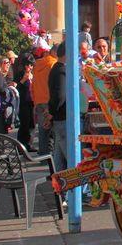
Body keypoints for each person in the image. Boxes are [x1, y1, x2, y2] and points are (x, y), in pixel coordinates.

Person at [31, 38, 57, 155]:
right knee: (53, 129)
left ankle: (43, 154)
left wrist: (35, 100)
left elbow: (33, 84)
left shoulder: (37, 65)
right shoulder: (53, 65)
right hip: (49, 100)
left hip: (39, 100)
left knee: (42, 129)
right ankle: (51, 155)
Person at [48, 41, 69, 172]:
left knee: (59, 155)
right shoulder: (61, 70)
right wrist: (52, 111)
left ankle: (59, 185)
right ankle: (65, 187)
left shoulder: (56, 68)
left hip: (58, 117)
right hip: (62, 116)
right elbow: (60, 96)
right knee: (68, 155)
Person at [14, 53, 36, 151]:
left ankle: (29, 144)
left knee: (31, 124)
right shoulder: (20, 74)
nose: (29, 67)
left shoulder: (32, 74)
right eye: (27, 65)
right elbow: (16, 88)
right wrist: (23, 80)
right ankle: (21, 146)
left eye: (31, 65)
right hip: (23, 102)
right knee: (24, 125)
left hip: (31, 101)